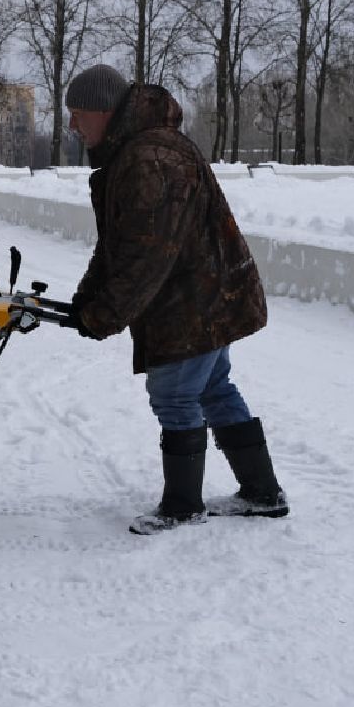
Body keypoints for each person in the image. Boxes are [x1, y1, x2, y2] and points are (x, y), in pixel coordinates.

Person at [63, 64, 289, 535]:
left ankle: (183, 505)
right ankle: (262, 492)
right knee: (213, 388)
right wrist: (86, 301)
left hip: (191, 301)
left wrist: (103, 315)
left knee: (175, 396)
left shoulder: (151, 159)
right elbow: (117, 245)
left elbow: (147, 255)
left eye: (77, 114)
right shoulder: (137, 151)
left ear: (103, 111)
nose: (72, 125)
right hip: (206, 293)